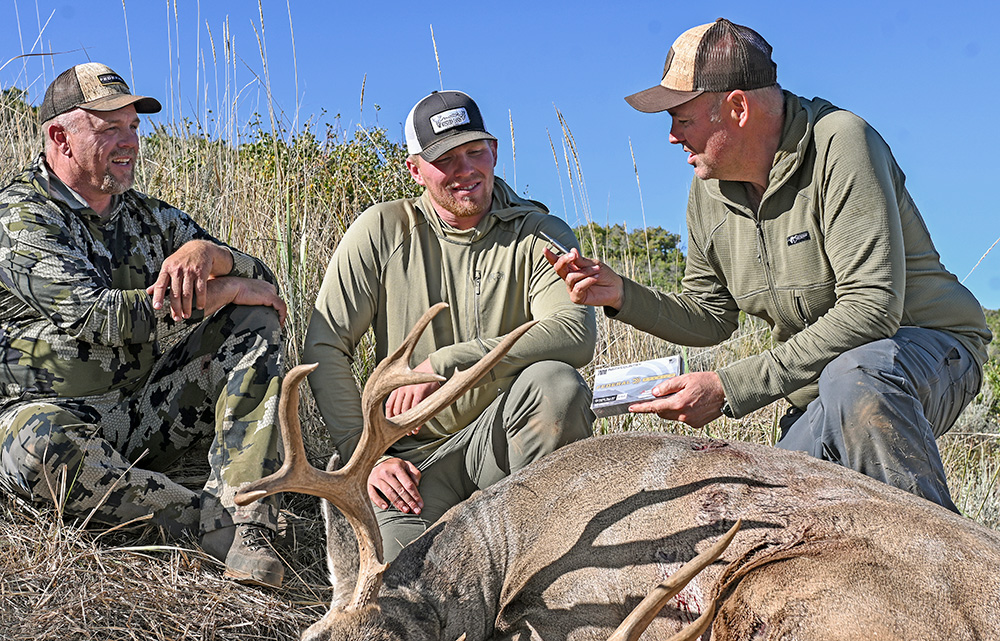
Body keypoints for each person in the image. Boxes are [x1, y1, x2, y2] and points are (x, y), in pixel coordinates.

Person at [548, 19, 992, 512]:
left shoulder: (842, 141)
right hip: (825, 392)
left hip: (928, 355)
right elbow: (710, 313)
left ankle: (941, 574)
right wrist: (620, 294)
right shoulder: (707, 189)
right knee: (759, 510)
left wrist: (729, 387)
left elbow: (871, 311)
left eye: (683, 118)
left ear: (737, 107)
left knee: (857, 378)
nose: (672, 137)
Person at [0, 63, 289, 587]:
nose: (129, 142)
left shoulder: (151, 220)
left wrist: (210, 253)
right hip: (49, 418)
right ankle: (205, 520)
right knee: (38, 448)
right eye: (110, 128)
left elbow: (264, 283)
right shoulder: (18, 215)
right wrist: (222, 287)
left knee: (254, 319)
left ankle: (249, 512)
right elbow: (96, 315)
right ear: (59, 137)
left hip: (142, 410)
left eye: (133, 127)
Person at [304, 90, 597, 560]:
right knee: (402, 590)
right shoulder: (382, 230)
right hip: (411, 463)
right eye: (445, 159)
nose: (465, 170)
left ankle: (537, 554)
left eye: (474, 151)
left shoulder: (540, 232)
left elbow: (574, 332)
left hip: (504, 446)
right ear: (415, 169)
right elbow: (324, 344)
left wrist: (448, 362)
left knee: (556, 384)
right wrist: (367, 457)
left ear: (495, 151)